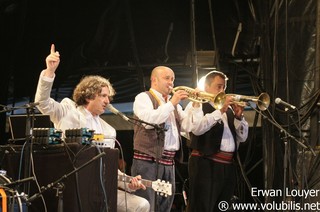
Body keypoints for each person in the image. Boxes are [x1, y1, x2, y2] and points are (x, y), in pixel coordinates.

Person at [34, 44, 150, 212]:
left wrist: (129, 183)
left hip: (99, 189)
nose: (107, 101)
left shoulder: (109, 131)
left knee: (141, 205)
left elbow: (109, 169)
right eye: (103, 96)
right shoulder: (68, 110)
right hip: (72, 184)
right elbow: (42, 103)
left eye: (109, 97)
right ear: (88, 95)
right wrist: (49, 72)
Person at [131, 66, 202, 212]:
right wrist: (172, 103)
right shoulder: (143, 97)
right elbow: (149, 122)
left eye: (173, 79)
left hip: (168, 163)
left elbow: (188, 127)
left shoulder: (173, 104)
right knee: (146, 205)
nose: (171, 82)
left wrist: (196, 104)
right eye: (167, 78)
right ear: (154, 80)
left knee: (165, 207)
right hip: (147, 161)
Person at [186, 70, 249, 212]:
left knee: (222, 208)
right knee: (202, 207)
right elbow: (197, 129)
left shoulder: (229, 111)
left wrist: (239, 117)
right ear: (206, 87)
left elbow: (242, 138)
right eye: (218, 87)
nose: (222, 91)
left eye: (224, 87)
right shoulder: (198, 104)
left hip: (226, 166)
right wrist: (219, 110)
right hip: (206, 163)